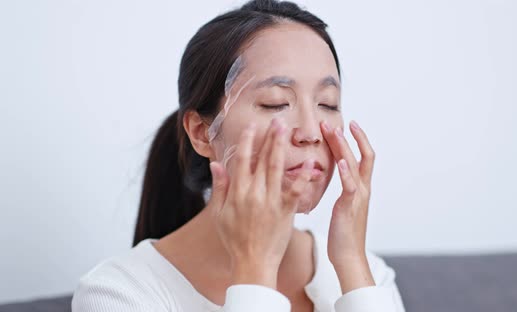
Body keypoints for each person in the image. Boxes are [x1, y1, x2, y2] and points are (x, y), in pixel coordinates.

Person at [72, 0, 405, 311]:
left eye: (327, 104)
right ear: (202, 133)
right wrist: (255, 270)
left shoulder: (368, 275)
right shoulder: (119, 293)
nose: (311, 132)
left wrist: (351, 264)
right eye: (275, 103)